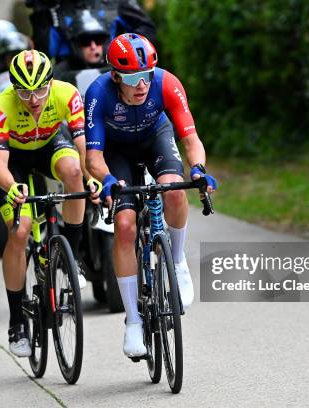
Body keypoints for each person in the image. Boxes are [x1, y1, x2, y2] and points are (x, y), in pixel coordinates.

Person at [84, 34, 218, 357]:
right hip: (116, 153)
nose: (141, 84)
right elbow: (92, 158)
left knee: (173, 190)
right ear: (116, 76)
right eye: (132, 78)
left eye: (145, 75)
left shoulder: (167, 83)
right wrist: (108, 180)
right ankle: (132, 321)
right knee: (126, 225)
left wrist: (198, 168)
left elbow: (190, 139)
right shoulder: (98, 94)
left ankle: (177, 259)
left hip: (155, 138)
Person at [0, 49, 99, 357]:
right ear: (14, 88)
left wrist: (92, 179)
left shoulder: (67, 93)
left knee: (74, 172)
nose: (34, 98)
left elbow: (82, 145)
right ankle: (15, 321)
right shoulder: (1, 106)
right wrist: (12, 187)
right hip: (15, 161)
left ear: (51, 82)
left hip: (52, 144)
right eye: (24, 91)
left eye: (40, 89)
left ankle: (73, 256)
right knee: (20, 232)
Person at [26, 0, 156, 63]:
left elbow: (146, 29)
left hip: (114, 68)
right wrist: (40, 12)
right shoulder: (53, 6)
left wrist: (125, 50)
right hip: (68, 74)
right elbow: (44, 52)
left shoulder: (116, 3)